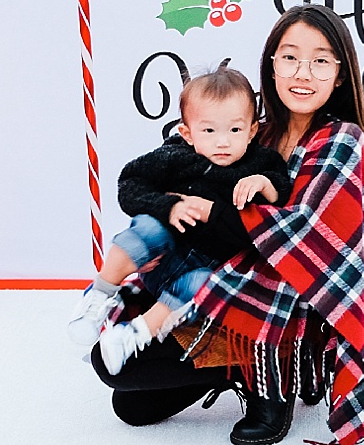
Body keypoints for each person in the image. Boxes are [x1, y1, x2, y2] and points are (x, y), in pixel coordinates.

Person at [89, 3, 364, 445]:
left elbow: (301, 233)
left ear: (340, 75)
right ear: (271, 65)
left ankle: (277, 372)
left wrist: (209, 211)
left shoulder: (342, 138)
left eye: (321, 60)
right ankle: (232, 364)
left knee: (135, 365)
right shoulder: (247, 132)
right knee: (126, 396)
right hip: (221, 278)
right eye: (289, 57)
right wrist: (177, 201)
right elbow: (175, 178)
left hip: (294, 302)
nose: (303, 72)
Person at [67, 67, 291, 373]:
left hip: (197, 273)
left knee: (205, 284)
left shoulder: (261, 163)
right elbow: (129, 185)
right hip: (160, 257)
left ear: (252, 130)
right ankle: (100, 294)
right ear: (187, 133)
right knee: (148, 226)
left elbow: (285, 193)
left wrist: (266, 185)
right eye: (209, 131)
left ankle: (134, 335)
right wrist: (168, 206)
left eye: (234, 131)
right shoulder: (174, 156)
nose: (222, 142)